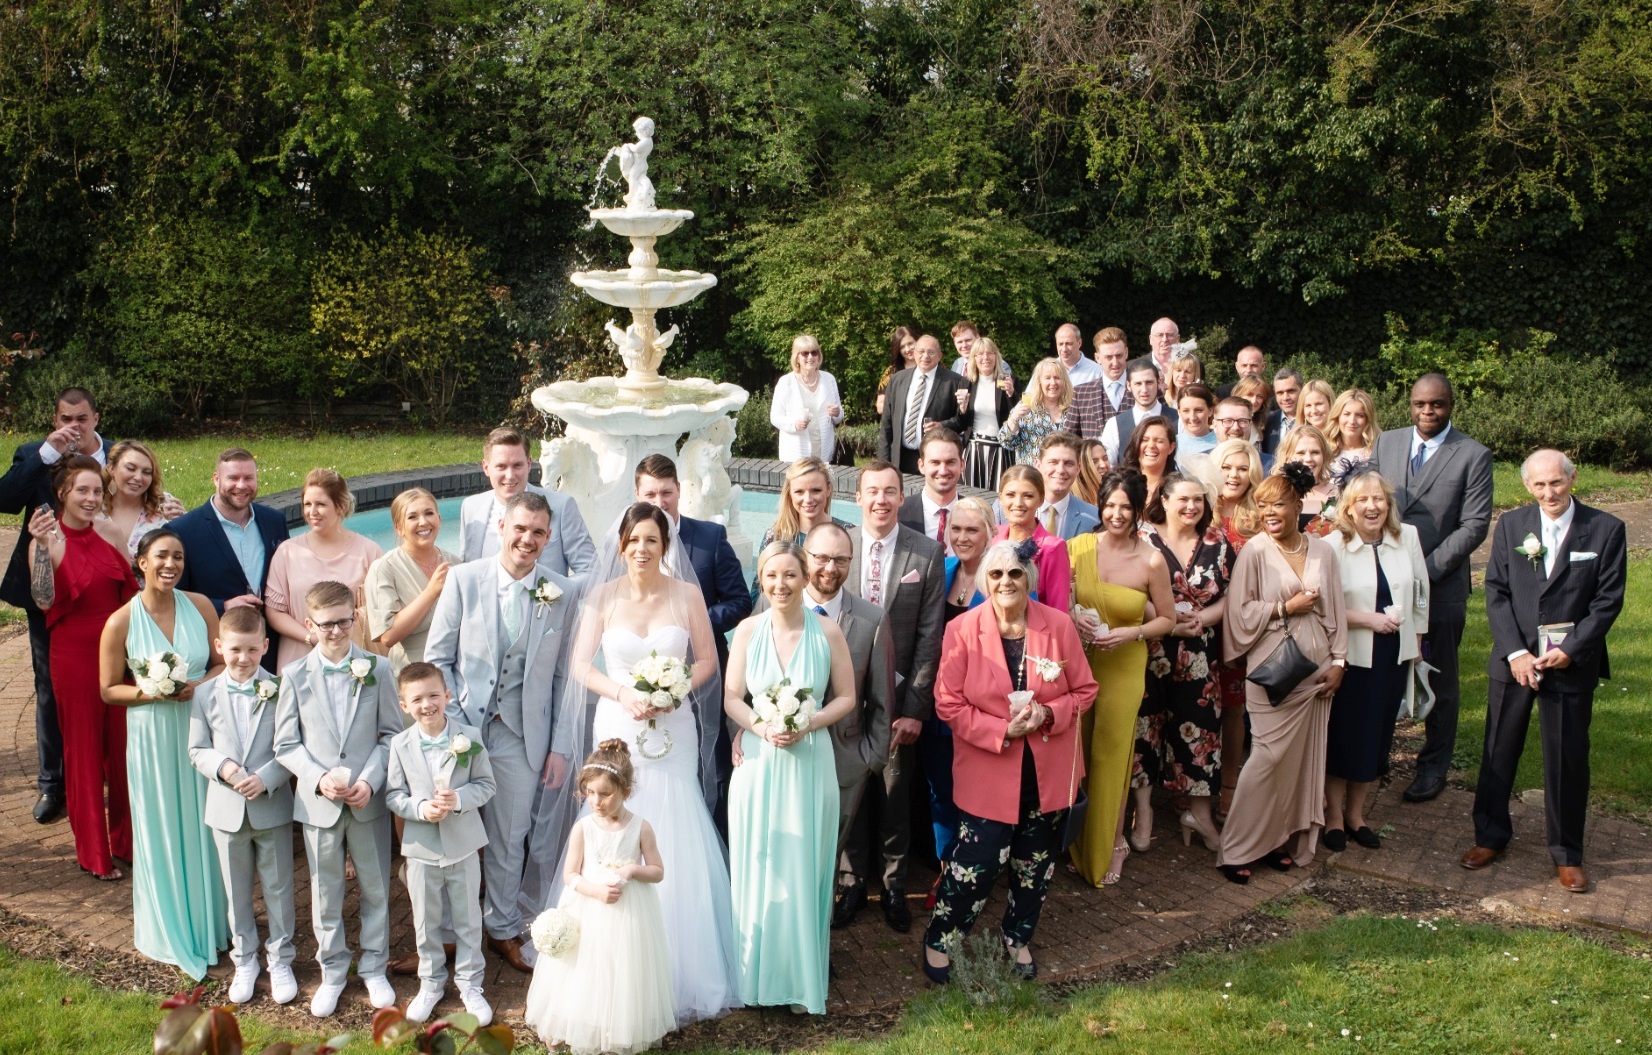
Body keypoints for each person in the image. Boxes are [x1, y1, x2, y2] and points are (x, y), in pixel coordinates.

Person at [560, 502, 740, 1022]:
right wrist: (620, 692)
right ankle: (614, 964)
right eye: (634, 539)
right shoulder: (601, 597)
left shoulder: (686, 595)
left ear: (666, 547)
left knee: (675, 821)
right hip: (618, 727)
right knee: (612, 819)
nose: (643, 548)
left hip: (672, 727)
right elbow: (578, 665)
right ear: (621, 544)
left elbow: (707, 658)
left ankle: (681, 965)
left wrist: (677, 688)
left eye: (653, 541)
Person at [921, 539, 1097, 984]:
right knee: (974, 863)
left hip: (1047, 773)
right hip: (988, 770)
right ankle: (942, 938)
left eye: (1014, 574)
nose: (1005, 583)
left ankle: (1016, 937)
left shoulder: (1057, 626)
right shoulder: (962, 629)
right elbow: (948, 703)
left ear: (1029, 580)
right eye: (996, 575)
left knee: (1034, 864)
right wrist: (1001, 730)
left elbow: (1085, 691)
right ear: (984, 581)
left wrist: (1050, 714)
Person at [425, 492, 581, 975]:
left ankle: (503, 928)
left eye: (538, 532)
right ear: (501, 527)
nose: (527, 539)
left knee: (511, 838)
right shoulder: (465, 581)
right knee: (453, 833)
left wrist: (558, 747)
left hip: (523, 735)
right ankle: (447, 935)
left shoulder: (562, 592)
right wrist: (453, 723)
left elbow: (562, 679)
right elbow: (438, 658)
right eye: (520, 529)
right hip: (465, 731)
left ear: (548, 537)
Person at [1463, 450, 1626, 893]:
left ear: (1573, 479)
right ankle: (1489, 836)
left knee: (1567, 759)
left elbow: (1608, 600)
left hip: (1570, 664)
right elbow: (1495, 591)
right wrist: (1515, 652)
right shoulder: (1512, 526)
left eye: (1556, 483)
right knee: (1499, 749)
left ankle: (1568, 854)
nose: (1549, 492)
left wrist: (1572, 650)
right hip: (1514, 661)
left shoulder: (1606, 529)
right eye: (1539, 485)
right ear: (1527, 487)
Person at [726, 542, 857, 1014]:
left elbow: (846, 697)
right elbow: (732, 697)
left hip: (808, 762)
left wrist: (809, 721)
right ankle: (754, 978)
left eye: (789, 575)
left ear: (805, 578)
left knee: (803, 863)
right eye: (770, 576)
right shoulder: (746, 631)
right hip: (759, 764)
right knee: (759, 863)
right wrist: (759, 728)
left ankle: (801, 982)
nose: (780, 585)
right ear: (759, 579)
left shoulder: (827, 632)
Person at [98, 528, 228, 979]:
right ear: (142, 562)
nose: (170, 564)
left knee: (204, 823)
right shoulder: (120, 622)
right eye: (161, 557)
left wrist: (196, 687)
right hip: (153, 735)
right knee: (164, 826)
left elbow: (221, 663)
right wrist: (153, 692)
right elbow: (109, 689)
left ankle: (213, 923)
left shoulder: (202, 606)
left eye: (177, 557)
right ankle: (166, 926)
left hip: (201, 727)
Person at [272, 580, 404, 1017]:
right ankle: (331, 971)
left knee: (375, 888)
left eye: (344, 622)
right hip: (320, 804)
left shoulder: (379, 669)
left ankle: (374, 966)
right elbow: (286, 745)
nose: (335, 631)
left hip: (367, 802)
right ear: (309, 625)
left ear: (355, 617)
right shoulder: (292, 676)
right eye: (326, 624)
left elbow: (391, 736)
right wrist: (317, 778)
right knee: (325, 892)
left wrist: (370, 780)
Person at [1217, 466, 1346, 883]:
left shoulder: (1323, 551)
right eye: (1264, 504)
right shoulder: (1254, 551)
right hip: (1272, 672)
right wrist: (1283, 608)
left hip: (1316, 673)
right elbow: (1238, 614)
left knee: (1296, 764)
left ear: (1297, 505)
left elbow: (1337, 612)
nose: (1270, 511)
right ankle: (1236, 848)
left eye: (1279, 503)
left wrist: (1339, 662)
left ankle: (1276, 842)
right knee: (1266, 759)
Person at [1372, 373, 1492, 803]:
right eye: (1420, 404)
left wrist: (1422, 570)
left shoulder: (1473, 455)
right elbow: (1370, 499)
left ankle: (1434, 767)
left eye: (1437, 405)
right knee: (1383, 670)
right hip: (1383, 582)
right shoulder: (1387, 443)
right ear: (1410, 404)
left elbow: (1475, 525)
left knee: (1438, 678)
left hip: (1440, 586)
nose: (1428, 412)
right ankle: (1376, 758)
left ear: (1451, 406)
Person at [838, 462, 946, 933]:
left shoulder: (926, 552)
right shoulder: (839, 547)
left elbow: (929, 635)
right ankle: (851, 882)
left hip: (900, 697)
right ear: (858, 497)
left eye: (890, 492)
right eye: (872, 492)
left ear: (903, 497)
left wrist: (915, 708)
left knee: (895, 792)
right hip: (846, 695)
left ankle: (895, 884)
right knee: (851, 792)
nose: (880, 500)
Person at [3, 389, 113, 825]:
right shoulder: (36, 454)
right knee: (49, 686)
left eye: (82, 418)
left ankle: (107, 774)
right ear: (55, 418)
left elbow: (141, 497)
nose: (74, 426)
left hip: (106, 582)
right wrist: (47, 452)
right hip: (47, 585)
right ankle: (53, 784)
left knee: (109, 680)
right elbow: (5, 500)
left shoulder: (118, 454)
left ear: (95, 417)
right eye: (66, 418)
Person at [525, 740, 676, 1053]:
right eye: (589, 792)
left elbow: (658, 871)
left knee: (620, 970)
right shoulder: (583, 828)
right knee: (584, 969)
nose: (596, 800)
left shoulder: (641, 828)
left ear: (626, 791)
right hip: (588, 910)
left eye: (605, 794)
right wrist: (595, 891)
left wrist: (633, 869)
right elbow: (570, 875)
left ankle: (615, 1027)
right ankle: (576, 1023)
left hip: (629, 914)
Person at [26, 455, 135, 877]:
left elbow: (132, 590)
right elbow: (42, 600)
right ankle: (93, 853)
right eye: (82, 490)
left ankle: (125, 840)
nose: (91, 499)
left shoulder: (109, 531)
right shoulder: (47, 540)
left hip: (118, 650)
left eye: (96, 490)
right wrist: (39, 548)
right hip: (72, 653)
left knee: (123, 751)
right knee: (85, 751)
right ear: (62, 494)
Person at [632, 454, 753, 827]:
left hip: (704, 674)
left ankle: (715, 840)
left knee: (710, 762)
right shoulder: (629, 544)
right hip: (642, 679)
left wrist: (694, 623)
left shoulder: (710, 538)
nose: (659, 501)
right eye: (650, 493)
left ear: (679, 492)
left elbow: (740, 601)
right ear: (637, 495)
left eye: (666, 492)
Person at [1066, 472, 1174, 886]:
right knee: (1079, 756)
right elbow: (1061, 599)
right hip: (1081, 663)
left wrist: (1133, 633)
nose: (1116, 514)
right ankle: (1076, 839)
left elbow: (1168, 619)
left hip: (1125, 666)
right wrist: (1074, 613)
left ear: (1137, 510)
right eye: (1110, 505)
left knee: (1111, 759)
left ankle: (1113, 844)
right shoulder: (1078, 549)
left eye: (1125, 507)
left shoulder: (1151, 559)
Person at [186, 605, 298, 1006]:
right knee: (236, 890)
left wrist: (266, 777)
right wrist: (226, 768)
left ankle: (281, 958)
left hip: (271, 805)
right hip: (225, 807)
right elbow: (197, 750)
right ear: (219, 646)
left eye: (252, 649)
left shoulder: (284, 688)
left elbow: (292, 748)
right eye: (234, 649)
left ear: (265, 647)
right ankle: (245, 958)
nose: (243, 658)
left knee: (280, 886)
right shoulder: (204, 694)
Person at [385, 662, 497, 1026]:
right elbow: (394, 795)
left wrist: (459, 799)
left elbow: (486, 785)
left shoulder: (470, 735)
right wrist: (419, 808)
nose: (427, 704)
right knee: (426, 920)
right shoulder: (400, 744)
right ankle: (431, 982)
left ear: (447, 695)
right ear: (404, 705)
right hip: (421, 849)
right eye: (416, 699)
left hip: (463, 845)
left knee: (467, 918)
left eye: (434, 695)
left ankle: (470, 984)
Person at [1323, 469, 1429, 852]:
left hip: (1392, 655)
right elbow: (1323, 604)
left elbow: (1420, 592)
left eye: (1379, 499)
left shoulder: (1408, 537)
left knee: (1376, 738)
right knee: (1345, 737)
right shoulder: (1333, 544)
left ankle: (1357, 815)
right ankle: (1333, 817)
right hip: (1350, 656)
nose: (1372, 507)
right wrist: (1367, 619)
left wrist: (1416, 638)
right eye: (1363, 500)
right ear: (1348, 507)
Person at [1137, 473, 1233, 855]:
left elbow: (1231, 593)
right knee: (1145, 726)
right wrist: (1170, 621)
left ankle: (1199, 814)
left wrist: (1201, 621)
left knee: (1202, 732)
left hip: (1200, 653)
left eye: (1198, 499)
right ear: (1165, 498)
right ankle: (1142, 813)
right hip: (1152, 648)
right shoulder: (1143, 539)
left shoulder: (1217, 541)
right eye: (1183, 499)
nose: (1191, 507)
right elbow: (1130, 588)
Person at [794, 524, 893, 866]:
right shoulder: (770, 604)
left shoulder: (872, 620)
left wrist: (871, 759)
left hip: (846, 761)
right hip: (781, 755)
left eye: (840, 559)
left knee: (826, 857)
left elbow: (882, 701)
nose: (829, 568)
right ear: (805, 556)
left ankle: (821, 918)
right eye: (820, 557)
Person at [923, 495, 996, 877]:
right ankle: (947, 868)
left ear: (990, 533)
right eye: (956, 529)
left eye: (972, 529)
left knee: (976, 792)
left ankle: (975, 868)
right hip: (940, 705)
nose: (963, 537)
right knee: (941, 791)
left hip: (981, 709)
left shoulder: (1003, 576)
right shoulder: (943, 569)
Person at [264, 468, 383, 671]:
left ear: (340, 506)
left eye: (321, 504)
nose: (312, 512)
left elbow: (381, 611)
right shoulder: (287, 552)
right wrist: (312, 638)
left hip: (352, 663)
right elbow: (274, 612)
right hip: (299, 663)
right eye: (307, 504)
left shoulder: (368, 552)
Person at [458, 427, 596, 577]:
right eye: (501, 466)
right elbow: (465, 571)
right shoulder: (471, 507)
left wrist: (560, 593)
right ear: (486, 467)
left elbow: (591, 571)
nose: (510, 476)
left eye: (517, 465)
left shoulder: (561, 506)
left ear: (529, 464)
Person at [171, 447, 291, 613]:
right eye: (233, 478)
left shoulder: (274, 521)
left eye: (248, 478)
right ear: (216, 479)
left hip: (269, 634)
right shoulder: (182, 531)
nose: (241, 485)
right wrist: (223, 606)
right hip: (214, 633)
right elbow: (172, 597)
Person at [364, 487, 458, 677]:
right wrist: (431, 592)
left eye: (429, 513)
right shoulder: (384, 569)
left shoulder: (455, 563)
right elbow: (388, 636)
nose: (423, 522)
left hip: (456, 671)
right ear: (399, 528)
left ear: (439, 519)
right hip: (412, 677)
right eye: (412, 517)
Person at [878, 333, 968, 475]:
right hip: (900, 457)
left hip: (935, 459)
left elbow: (962, 421)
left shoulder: (955, 382)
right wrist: (883, 462)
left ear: (940, 356)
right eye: (921, 351)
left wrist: (942, 426)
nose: (925, 356)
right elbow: (887, 424)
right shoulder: (897, 380)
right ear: (914, 354)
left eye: (931, 352)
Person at [993, 465, 1073, 612]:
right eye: (1010, 495)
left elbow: (1058, 612)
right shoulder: (993, 537)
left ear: (1041, 500)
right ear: (1001, 498)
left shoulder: (1053, 548)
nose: (1018, 503)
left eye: (1028, 496)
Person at [98, 439, 184, 557]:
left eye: (146, 472)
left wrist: (184, 523)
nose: (138, 477)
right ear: (112, 468)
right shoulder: (95, 506)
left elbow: (186, 549)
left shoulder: (164, 504)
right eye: (131, 468)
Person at [770, 334, 845, 463]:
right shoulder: (786, 383)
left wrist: (837, 413)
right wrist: (794, 424)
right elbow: (775, 417)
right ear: (797, 358)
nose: (810, 357)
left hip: (823, 454)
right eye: (805, 353)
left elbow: (838, 416)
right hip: (796, 455)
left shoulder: (829, 379)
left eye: (814, 353)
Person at [755, 456, 850, 552]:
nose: (808, 499)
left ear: (828, 489)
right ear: (789, 493)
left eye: (816, 490)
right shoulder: (775, 538)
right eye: (799, 492)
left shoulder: (849, 534)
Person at [958, 337, 1018, 489]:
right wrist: (963, 409)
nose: (985, 358)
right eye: (980, 354)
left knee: (998, 496)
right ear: (974, 358)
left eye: (990, 353)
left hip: (1000, 449)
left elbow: (1019, 414)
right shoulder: (967, 382)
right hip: (974, 449)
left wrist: (1012, 394)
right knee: (972, 497)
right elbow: (960, 422)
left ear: (996, 356)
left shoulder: (1006, 381)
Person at [1099, 358, 1178, 465]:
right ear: (1129, 386)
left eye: (1149, 382)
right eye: (1138, 384)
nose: (1144, 390)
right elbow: (1107, 466)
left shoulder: (1178, 419)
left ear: (1159, 382)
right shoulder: (1114, 425)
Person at [899, 429, 964, 555]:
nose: (943, 471)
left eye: (950, 462)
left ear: (962, 465)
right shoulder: (899, 514)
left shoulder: (977, 515)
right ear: (921, 465)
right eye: (935, 462)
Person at [999, 358, 1073, 466]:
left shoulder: (1072, 409)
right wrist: (1014, 418)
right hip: (1032, 476)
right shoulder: (1026, 407)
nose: (1053, 383)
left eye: (1057, 378)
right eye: (1047, 378)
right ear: (1039, 382)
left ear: (1064, 381)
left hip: (1063, 475)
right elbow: (1006, 442)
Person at [1034, 433, 1101, 540]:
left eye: (1068, 463)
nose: (1060, 470)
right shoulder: (1007, 510)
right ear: (1038, 465)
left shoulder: (1094, 517)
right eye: (1053, 462)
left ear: (1078, 469)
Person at [1282, 425, 1337, 529]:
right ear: (1288, 456)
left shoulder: (1338, 494)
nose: (1308, 459)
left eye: (1315, 452)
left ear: (1324, 456)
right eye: (1301, 453)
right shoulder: (1277, 493)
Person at [1120, 415, 1179, 511]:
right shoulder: (1121, 483)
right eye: (1144, 440)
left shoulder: (1178, 487)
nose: (1151, 445)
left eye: (1159, 441)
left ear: (1171, 448)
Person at [1212, 397, 1274, 473]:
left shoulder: (1271, 466)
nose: (1235, 427)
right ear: (1214, 425)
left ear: (1250, 425)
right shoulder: (1200, 462)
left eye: (1242, 421)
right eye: (1228, 421)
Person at [1328, 388, 1379, 472]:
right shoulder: (1325, 450)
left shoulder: (1377, 453)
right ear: (1337, 416)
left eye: (1359, 415)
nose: (1352, 421)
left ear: (1368, 419)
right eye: (1346, 414)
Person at [1232, 376, 1282, 455]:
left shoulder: (1259, 423)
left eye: (1259, 396)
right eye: (1249, 394)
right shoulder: (1230, 422)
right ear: (1239, 394)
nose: (1254, 400)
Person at [876, 326, 918, 419]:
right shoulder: (891, 372)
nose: (907, 349)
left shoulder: (931, 365)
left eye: (910, 343)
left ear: (917, 341)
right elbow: (880, 406)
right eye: (902, 347)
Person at [1176, 383, 1218, 457]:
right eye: (1186, 411)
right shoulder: (1172, 444)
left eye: (1198, 410)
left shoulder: (1222, 442)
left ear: (1210, 411)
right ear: (1179, 412)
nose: (1192, 417)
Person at [1074, 439, 1109, 506]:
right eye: (1095, 461)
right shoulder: (1075, 505)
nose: (1103, 465)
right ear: (1080, 469)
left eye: (1105, 458)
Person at [1273, 368, 1303, 440]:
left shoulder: (1313, 419)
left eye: (1291, 391)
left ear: (1302, 389)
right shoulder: (1268, 422)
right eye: (1280, 393)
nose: (1285, 398)